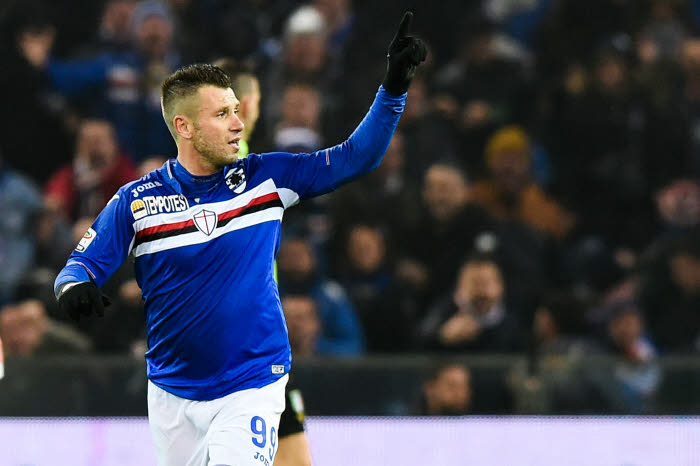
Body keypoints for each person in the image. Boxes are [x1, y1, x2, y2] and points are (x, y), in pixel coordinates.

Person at [53, 11, 426, 466]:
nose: (237, 123)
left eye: (235, 110)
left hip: (252, 382)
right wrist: (74, 287)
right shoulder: (137, 200)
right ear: (184, 127)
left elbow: (357, 157)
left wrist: (393, 88)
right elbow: (80, 265)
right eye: (222, 114)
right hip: (171, 392)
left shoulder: (266, 178)